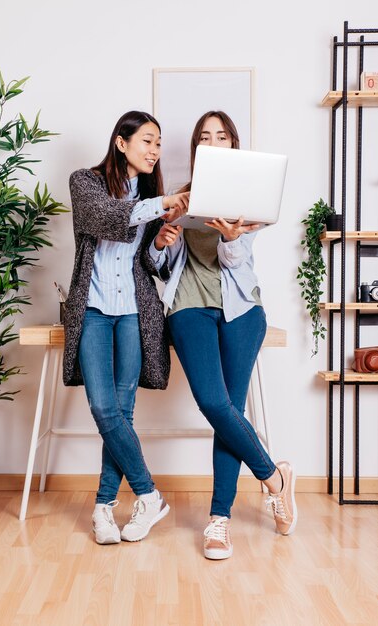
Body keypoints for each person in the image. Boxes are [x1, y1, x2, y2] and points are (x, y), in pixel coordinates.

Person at [148, 111, 297, 560]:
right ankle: (275, 477)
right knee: (215, 403)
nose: (214, 142)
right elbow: (158, 266)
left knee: (228, 409)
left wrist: (231, 237)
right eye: (205, 137)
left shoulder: (251, 194)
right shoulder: (178, 194)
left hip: (241, 309)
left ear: (234, 143)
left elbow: (236, 263)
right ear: (197, 147)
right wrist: (161, 243)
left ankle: (219, 521)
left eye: (222, 135)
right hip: (190, 305)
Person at [63, 111, 188, 545]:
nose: (155, 151)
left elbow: (148, 266)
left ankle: (102, 509)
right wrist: (164, 204)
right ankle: (149, 495)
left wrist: (157, 243)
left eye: (159, 144)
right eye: (148, 142)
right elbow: (104, 217)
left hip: (135, 311)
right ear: (121, 142)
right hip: (94, 309)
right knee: (103, 408)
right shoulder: (86, 182)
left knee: (122, 411)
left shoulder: (152, 194)